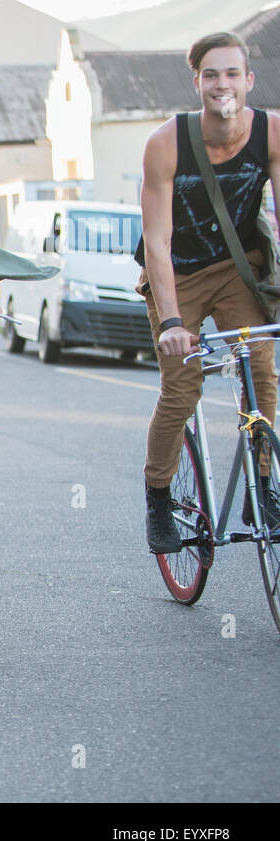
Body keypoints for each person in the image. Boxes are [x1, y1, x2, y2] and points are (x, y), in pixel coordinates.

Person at [139, 32, 280, 553]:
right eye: (212, 74)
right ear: (197, 81)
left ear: (249, 80)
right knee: (181, 388)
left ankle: (262, 485)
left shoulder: (271, 132)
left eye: (232, 73)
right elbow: (157, 238)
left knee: (260, 370)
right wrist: (173, 321)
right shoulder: (167, 142)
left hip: (238, 271)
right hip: (177, 274)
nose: (223, 84)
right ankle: (157, 496)